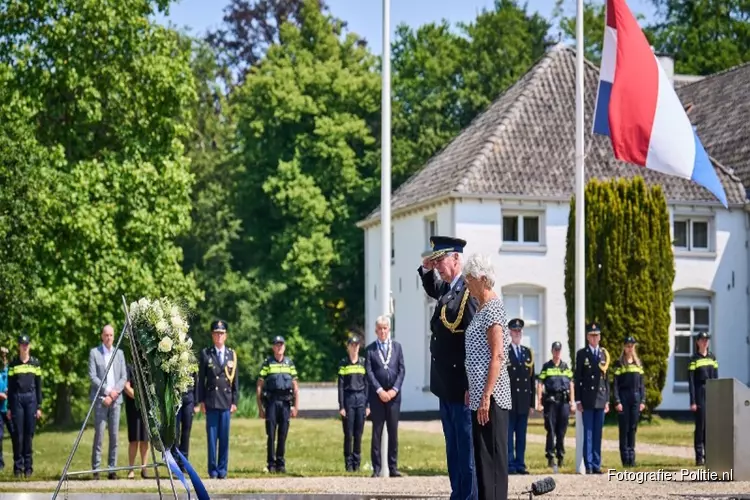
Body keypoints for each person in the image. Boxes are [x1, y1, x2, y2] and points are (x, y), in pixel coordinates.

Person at [418, 236, 478, 500]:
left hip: (461, 388)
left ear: (456, 259)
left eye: (441, 260)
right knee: (452, 449)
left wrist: (470, 384)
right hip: (446, 386)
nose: (439, 265)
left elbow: (475, 344)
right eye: (437, 261)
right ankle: (458, 494)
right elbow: (434, 289)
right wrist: (426, 268)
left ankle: (469, 496)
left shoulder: (467, 292)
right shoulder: (449, 289)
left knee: (466, 451)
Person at [462, 253, 511, 500]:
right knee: (482, 460)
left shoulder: (493, 308)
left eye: (469, 279)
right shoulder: (481, 307)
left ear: (482, 279)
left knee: (492, 458)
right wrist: (473, 387)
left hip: (492, 399)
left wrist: (486, 395)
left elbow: (497, 356)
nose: (466, 284)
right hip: (480, 396)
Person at [365, 316, 405, 477]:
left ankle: (393, 467)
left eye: (385, 328)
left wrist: (394, 389)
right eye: (380, 328)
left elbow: (402, 370)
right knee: (377, 432)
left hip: (394, 396)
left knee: (393, 432)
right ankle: (376, 468)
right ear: (376, 330)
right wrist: (380, 390)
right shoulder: (370, 350)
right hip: (377, 397)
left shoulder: (397, 347)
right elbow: (369, 372)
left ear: (389, 329)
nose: (382, 331)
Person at [198, 319, 239, 479]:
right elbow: (201, 380)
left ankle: (222, 469)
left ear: (226, 336)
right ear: (212, 335)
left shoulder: (231, 355)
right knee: (212, 439)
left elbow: (235, 381)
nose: (219, 336)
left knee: (224, 438)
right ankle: (212, 470)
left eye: (221, 333)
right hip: (211, 401)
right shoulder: (206, 354)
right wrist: (201, 401)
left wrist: (235, 401)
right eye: (216, 333)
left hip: (226, 401)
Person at [88, 324, 127, 480]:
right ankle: (96, 469)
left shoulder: (119, 354)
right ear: (101, 336)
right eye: (106, 335)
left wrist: (115, 392)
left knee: (114, 436)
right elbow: (92, 377)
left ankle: (112, 469)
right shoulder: (94, 353)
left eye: (111, 335)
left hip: (116, 400)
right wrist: (107, 391)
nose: (109, 338)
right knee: (99, 435)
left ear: (114, 336)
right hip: (101, 400)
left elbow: (124, 377)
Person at [257, 335, 299, 474]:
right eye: (276, 344)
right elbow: (259, 385)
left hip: (286, 403)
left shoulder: (289, 363)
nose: (279, 347)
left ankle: (281, 463)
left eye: (281, 344)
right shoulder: (268, 363)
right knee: (271, 434)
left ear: (284, 347)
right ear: (273, 347)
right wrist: (260, 408)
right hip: (271, 403)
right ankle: (271, 463)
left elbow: (295, 387)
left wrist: (296, 406)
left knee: (283, 434)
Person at [574, 322, 610, 474]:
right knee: (588, 433)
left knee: (598, 434)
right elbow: (578, 378)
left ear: (600, 337)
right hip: (587, 399)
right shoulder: (582, 354)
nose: (595, 338)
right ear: (588, 337)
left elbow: (606, 379)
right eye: (592, 335)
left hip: (601, 398)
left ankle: (596, 464)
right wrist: (578, 400)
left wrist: (607, 399)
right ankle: (588, 464)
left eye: (597, 335)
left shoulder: (604, 354)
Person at [7, 334, 42, 478]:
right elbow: (10, 386)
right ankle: (17, 467)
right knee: (18, 435)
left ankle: (28, 468)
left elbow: (39, 386)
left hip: (31, 400)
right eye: (22, 344)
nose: (24, 346)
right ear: (19, 346)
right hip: (17, 401)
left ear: (29, 346)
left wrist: (39, 406)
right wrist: (9, 406)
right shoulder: (13, 364)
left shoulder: (35, 363)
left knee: (29, 434)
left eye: (26, 344)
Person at [536, 341, 575, 470]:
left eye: (559, 350)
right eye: (555, 350)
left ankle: (561, 456)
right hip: (550, 402)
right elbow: (540, 384)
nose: (557, 352)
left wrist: (572, 402)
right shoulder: (547, 366)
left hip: (563, 403)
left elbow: (571, 385)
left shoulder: (565, 367)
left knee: (562, 431)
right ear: (552, 351)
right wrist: (539, 402)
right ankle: (550, 457)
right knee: (551, 430)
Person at [506, 318, 534, 475]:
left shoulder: (527, 353)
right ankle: (510, 463)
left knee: (521, 435)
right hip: (510, 401)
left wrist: (532, 403)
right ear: (510, 332)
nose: (517, 333)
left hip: (523, 402)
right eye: (514, 331)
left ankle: (520, 463)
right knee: (509, 435)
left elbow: (531, 380)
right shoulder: (505, 351)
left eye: (519, 331)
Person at [337, 335, 370, 472]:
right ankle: (348, 463)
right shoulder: (343, 363)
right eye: (352, 345)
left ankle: (357, 462)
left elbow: (367, 385)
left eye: (357, 345)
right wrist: (342, 406)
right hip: (349, 399)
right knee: (348, 433)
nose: (355, 347)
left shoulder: (363, 363)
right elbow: (340, 386)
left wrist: (368, 405)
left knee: (358, 433)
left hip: (361, 399)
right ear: (348, 347)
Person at [612, 335, 646, 467]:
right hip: (624, 397)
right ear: (624, 347)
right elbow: (615, 385)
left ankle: (632, 458)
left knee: (633, 427)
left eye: (632, 346)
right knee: (624, 428)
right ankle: (625, 458)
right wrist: (617, 401)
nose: (630, 348)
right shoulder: (619, 364)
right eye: (627, 346)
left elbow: (642, 385)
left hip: (636, 397)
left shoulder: (638, 364)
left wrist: (642, 400)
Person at [688, 331, 718, 466]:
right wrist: (693, 401)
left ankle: (710, 455)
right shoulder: (694, 359)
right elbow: (691, 382)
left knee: (710, 426)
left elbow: (716, 378)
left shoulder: (713, 358)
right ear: (697, 342)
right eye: (703, 340)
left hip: (711, 391)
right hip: (700, 392)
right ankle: (699, 457)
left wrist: (718, 397)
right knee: (700, 426)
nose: (705, 342)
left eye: (707, 340)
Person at [123, 363, 150, 479]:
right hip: (133, 406)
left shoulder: (148, 366)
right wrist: (139, 398)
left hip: (146, 407)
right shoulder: (129, 367)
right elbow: (126, 387)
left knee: (145, 439)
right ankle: (131, 469)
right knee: (134, 439)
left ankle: (144, 469)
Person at [174, 368, 199, 471]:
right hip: (175, 398)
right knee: (175, 432)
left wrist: (196, 403)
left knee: (186, 432)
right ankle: (174, 460)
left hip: (189, 397)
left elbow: (197, 381)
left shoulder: (191, 359)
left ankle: (183, 462)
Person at [0, 347, 12, 470]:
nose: (3, 358)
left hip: (10, 408)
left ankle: (18, 465)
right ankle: (0, 465)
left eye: (5, 355)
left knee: (16, 435)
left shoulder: (9, 371)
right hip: (0, 409)